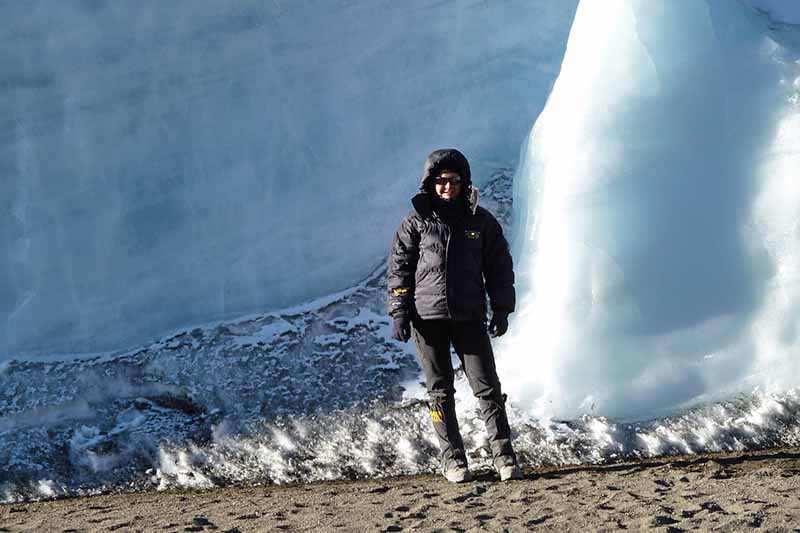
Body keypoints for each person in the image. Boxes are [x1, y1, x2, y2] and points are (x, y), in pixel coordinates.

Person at [387, 148, 522, 483]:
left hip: (469, 317)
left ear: (464, 183)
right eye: (441, 181)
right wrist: (399, 313)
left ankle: (504, 458)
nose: (448, 186)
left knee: (487, 387)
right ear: (430, 183)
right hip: (427, 320)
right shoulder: (415, 223)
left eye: (454, 181)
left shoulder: (481, 221)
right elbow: (399, 270)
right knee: (440, 391)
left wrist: (502, 307)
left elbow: (499, 267)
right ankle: (453, 461)